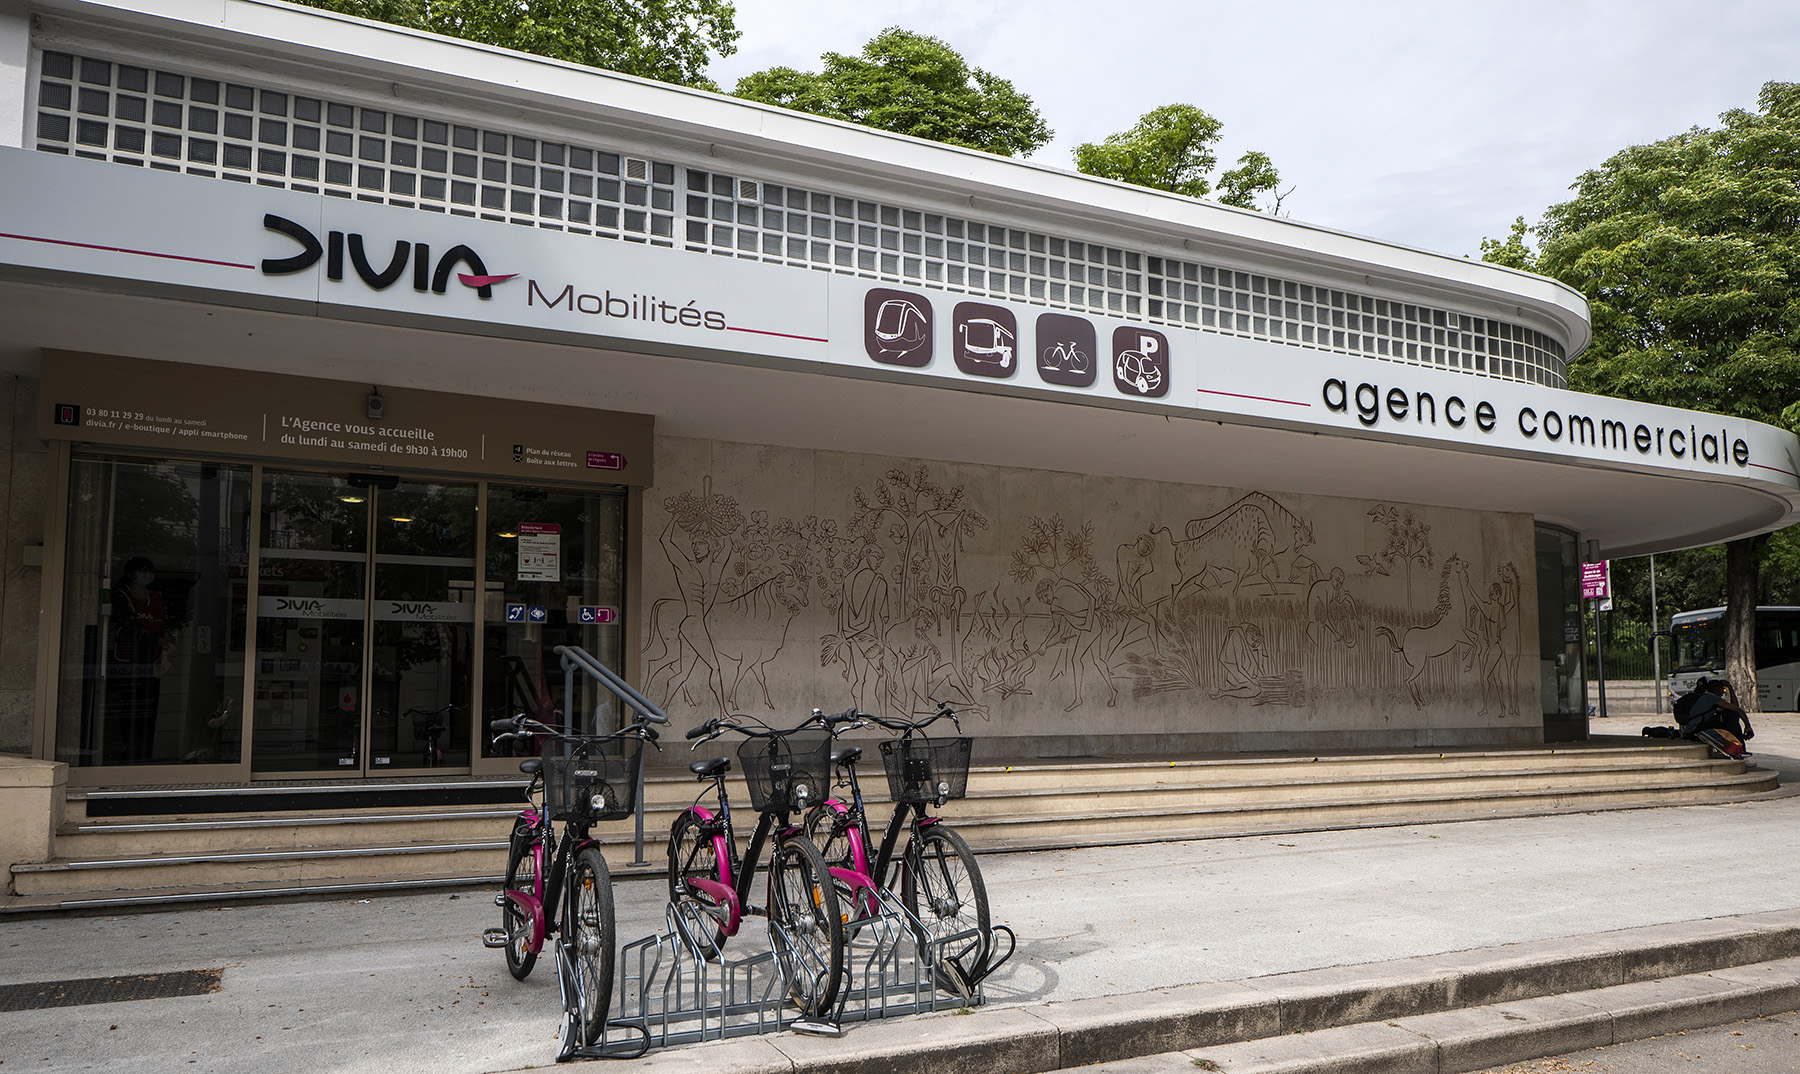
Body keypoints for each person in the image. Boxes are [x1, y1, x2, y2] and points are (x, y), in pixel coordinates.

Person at [107, 556, 168, 763]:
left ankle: (145, 753)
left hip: (153, 662)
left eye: (149, 570)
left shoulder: (156, 597)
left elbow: (162, 625)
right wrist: (155, 639)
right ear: (130, 574)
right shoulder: (121, 596)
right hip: (128, 662)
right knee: (131, 708)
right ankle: (130, 751)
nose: (146, 574)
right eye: (141, 570)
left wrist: (164, 641)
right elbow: (129, 628)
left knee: (149, 709)